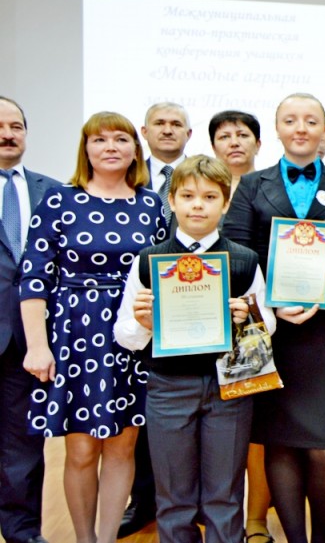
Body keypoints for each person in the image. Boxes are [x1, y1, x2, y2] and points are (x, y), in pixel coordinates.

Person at [223, 93, 325, 543]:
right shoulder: (252, 186)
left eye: (311, 121)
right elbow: (236, 255)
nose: (301, 128)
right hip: (276, 332)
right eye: (290, 120)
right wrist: (271, 303)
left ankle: (321, 539)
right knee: (281, 443)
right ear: (277, 129)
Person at [113, 155, 276, 543]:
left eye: (209, 197)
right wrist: (144, 324)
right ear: (171, 201)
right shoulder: (149, 261)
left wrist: (248, 317)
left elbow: (268, 325)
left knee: (225, 494)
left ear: (225, 203)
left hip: (229, 390)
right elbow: (123, 334)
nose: (198, 205)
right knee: (174, 497)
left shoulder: (244, 261)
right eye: (187, 196)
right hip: (168, 388)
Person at [21, 111, 166, 543]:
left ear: (135, 150)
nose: (110, 147)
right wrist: (37, 346)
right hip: (75, 335)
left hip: (134, 334)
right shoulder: (59, 200)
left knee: (123, 446)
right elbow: (34, 278)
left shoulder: (151, 204)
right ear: (85, 149)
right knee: (82, 448)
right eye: (99, 139)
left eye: (121, 138)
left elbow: (166, 272)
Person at [121, 101, 194, 536]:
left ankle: (194, 505)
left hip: (196, 316)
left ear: (189, 134)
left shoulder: (200, 179)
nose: (168, 130)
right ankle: (144, 500)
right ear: (144, 132)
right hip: (141, 313)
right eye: (159, 124)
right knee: (142, 418)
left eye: (176, 124)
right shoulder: (127, 178)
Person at [208, 110, 274, 542]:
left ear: (258, 143)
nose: (234, 141)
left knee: (256, 432)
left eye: (243, 134)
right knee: (212, 433)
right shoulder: (197, 189)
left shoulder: (270, 190)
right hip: (198, 333)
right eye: (225, 135)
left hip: (256, 324)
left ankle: (255, 519)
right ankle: (215, 515)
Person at [0, 96, 58, 543]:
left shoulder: (53, 192)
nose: (7, 134)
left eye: (16, 126)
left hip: (29, 340)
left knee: (23, 445)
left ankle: (23, 534)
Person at [209, 110, 262, 196]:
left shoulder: (275, 187)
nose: (234, 143)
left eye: (243, 135)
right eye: (224, 137)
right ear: (213, 148)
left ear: (257, 145)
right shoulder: (204, 188)